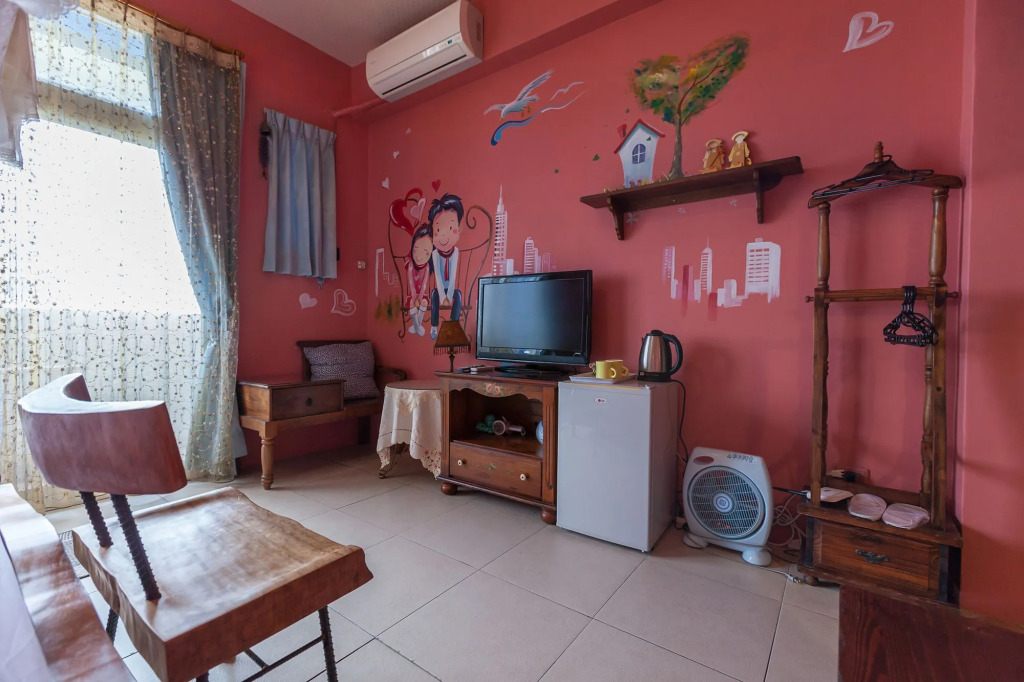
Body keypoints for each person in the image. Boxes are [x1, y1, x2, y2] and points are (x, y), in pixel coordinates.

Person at [428, 194, 464, 339]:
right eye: (437, 230)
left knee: (458, 295)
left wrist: (449, 296)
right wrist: (443, 297)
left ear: (459, 228)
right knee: (434, 295)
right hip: (440, 288)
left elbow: (453, 274)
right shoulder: (435, 254)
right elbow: (437, 275)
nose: (443, 236)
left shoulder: (455, 252)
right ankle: (434, 326)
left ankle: (452, 326)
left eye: (450, 228)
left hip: (451, 288)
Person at [405, 224, 432, 336]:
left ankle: (416, 326)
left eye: (426, 251)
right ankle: (417, 327)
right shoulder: (411, 265)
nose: (420, 255)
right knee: (412, 302)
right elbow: (411, 282)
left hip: (422, 294)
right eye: (416, 249)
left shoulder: (427, 267)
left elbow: (424, 283)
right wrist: (415, 297)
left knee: (424, 302)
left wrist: (420, 298)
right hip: (413, 293)